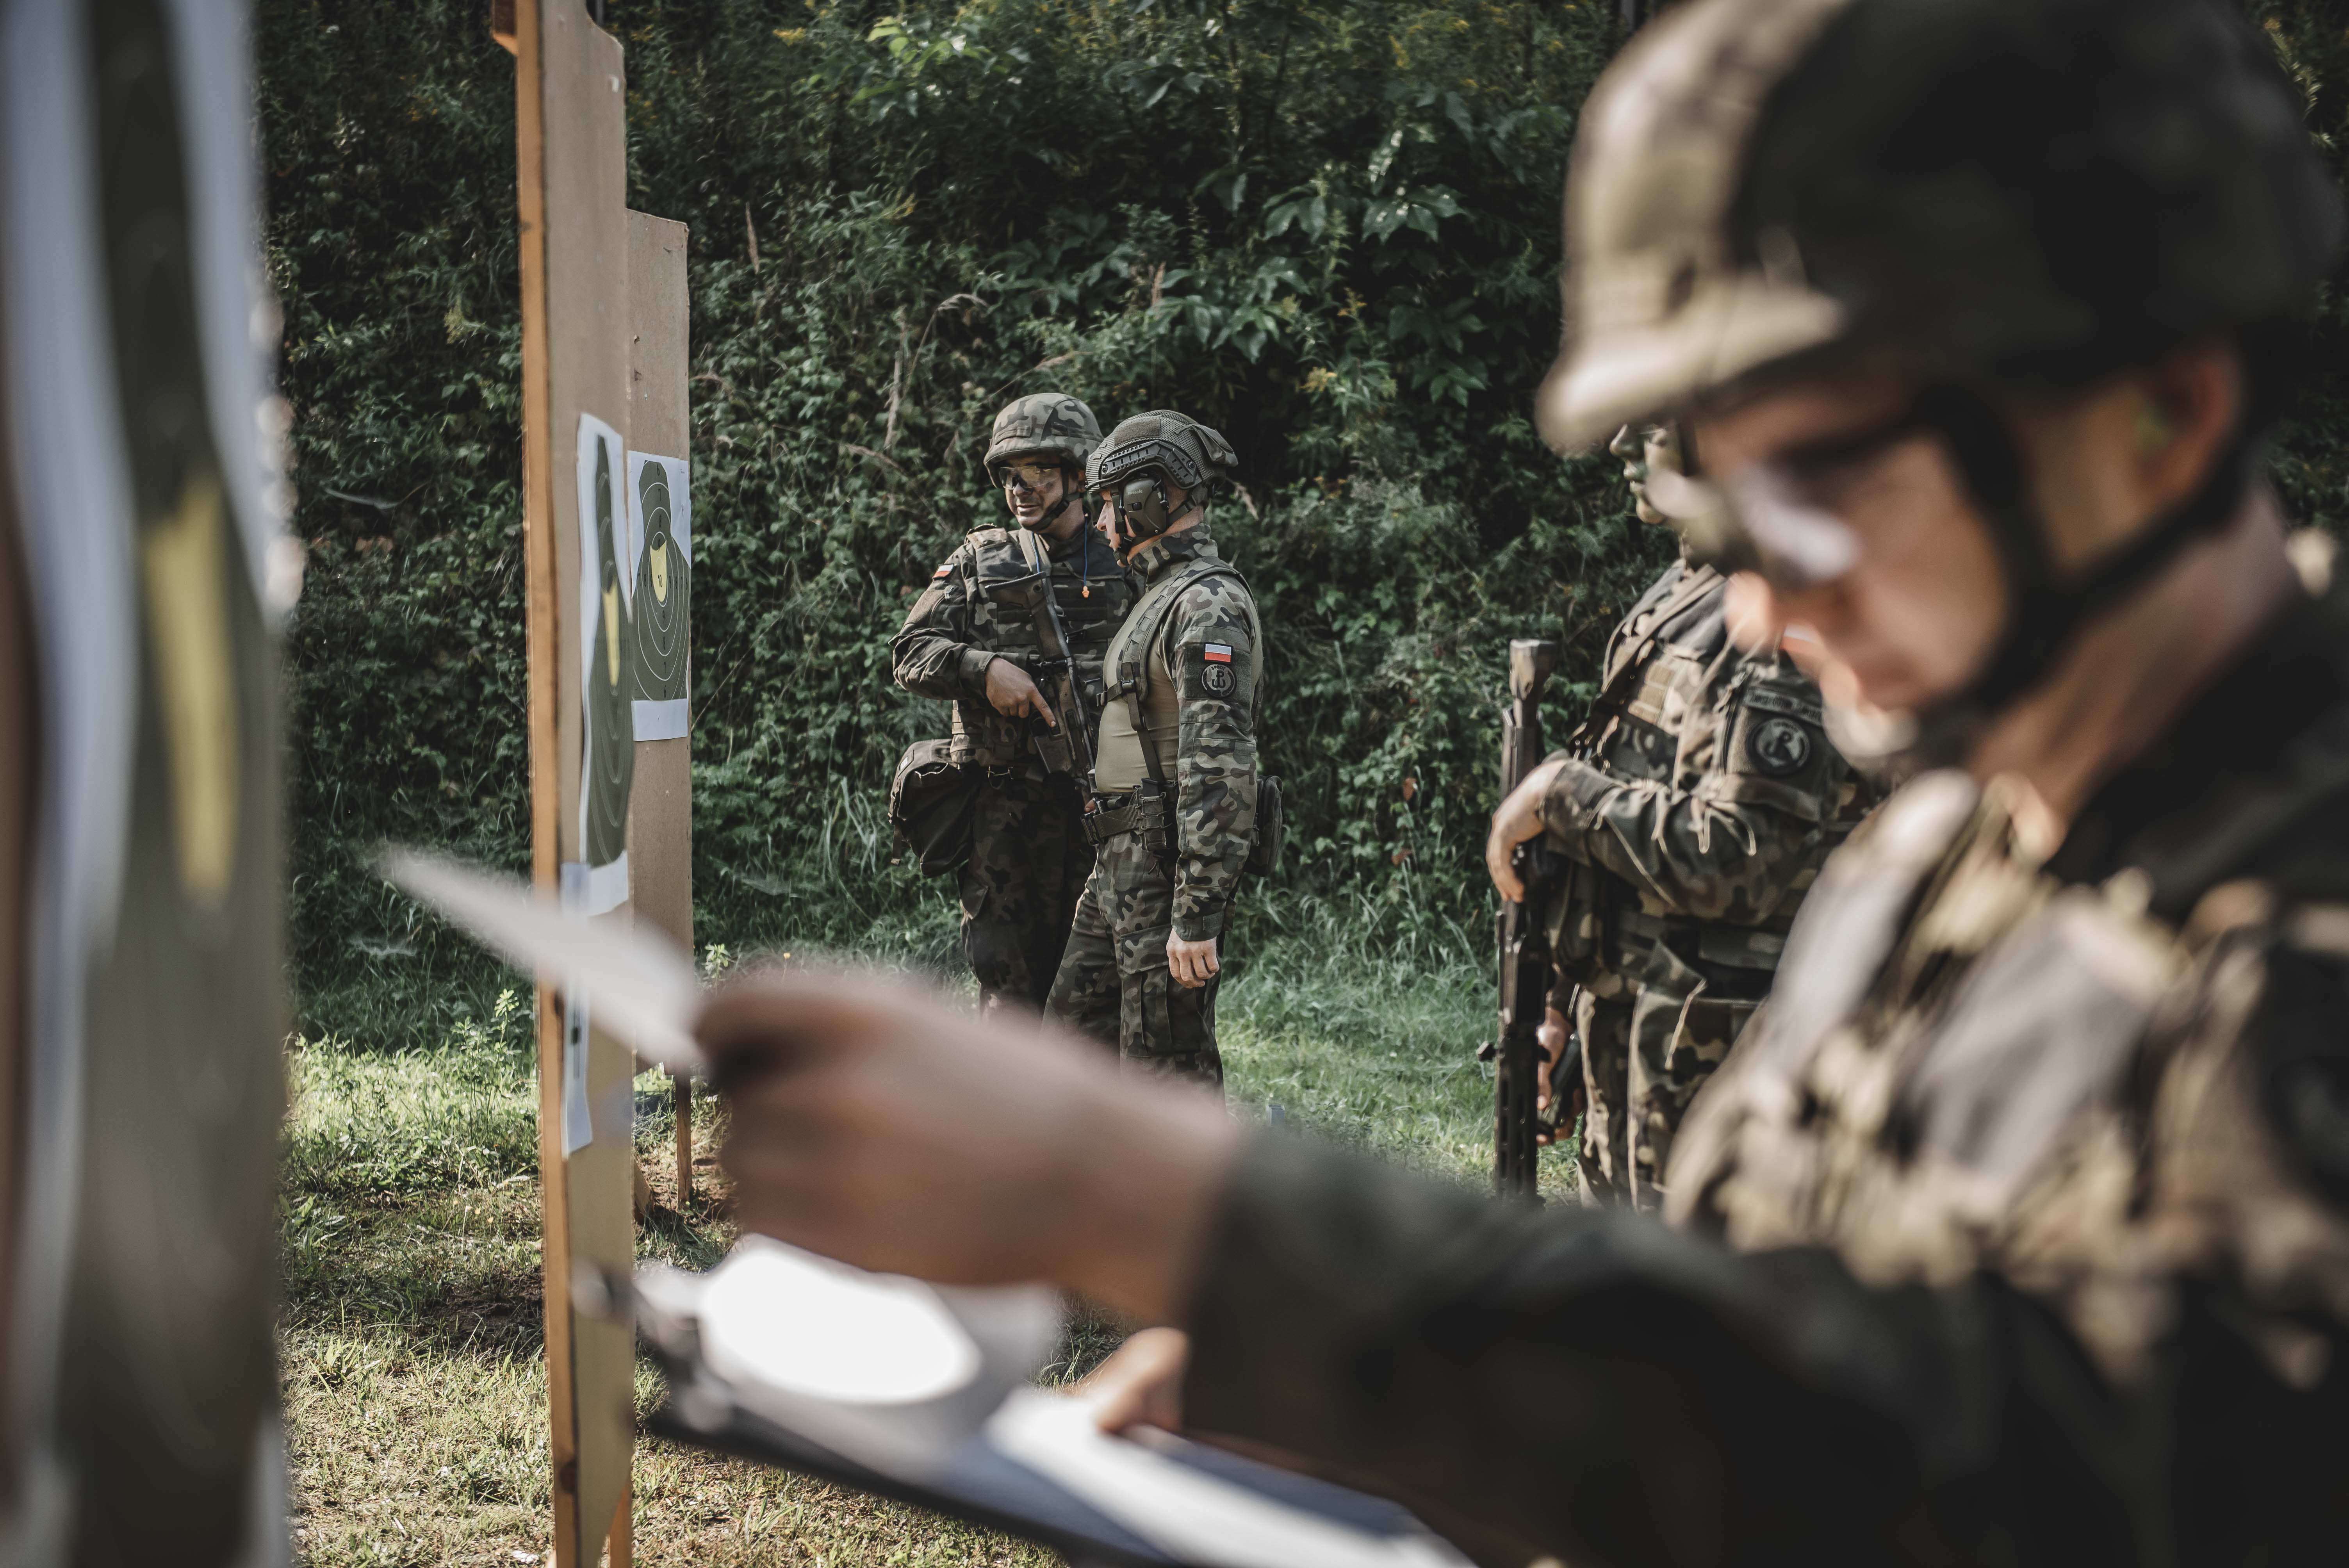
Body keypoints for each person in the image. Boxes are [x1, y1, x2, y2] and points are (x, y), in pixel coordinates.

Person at [707, 0, 2349, 1560]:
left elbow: (2107, 1477)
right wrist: (1419, 1420)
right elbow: (1776, 1356)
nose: (1768, 606)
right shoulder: (1939, 853)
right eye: (1725, 524)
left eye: (1825, 491)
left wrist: (1213, 1216)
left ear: (2160, 416)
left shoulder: (2297, 930)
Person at [1490, 418, 1878, 1206]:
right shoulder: (1687, 591)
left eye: (1656, 422)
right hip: (1636, 1039)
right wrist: (1563, 1003)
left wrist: (1563, 796)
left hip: (1724, 1071)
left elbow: (1738, 861)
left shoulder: (1779, 617)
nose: (1622, 445)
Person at [891, 394, 1133, 1015]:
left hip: (1101, 805)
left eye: (1039, 473)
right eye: (1009, 474)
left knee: (1100, 993)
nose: (1020, 488)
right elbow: (911, 651)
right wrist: (983, 668)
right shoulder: (981, 558)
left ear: (1081, 475)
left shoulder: (1126, 558)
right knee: (1009, 995)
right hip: (1005, 815)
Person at [1042, 411, 1261, 1087]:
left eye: (1111, 503)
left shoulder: (1208, 604)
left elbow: (1219, 769)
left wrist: (1195, 914)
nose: (1103, 524)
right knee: (1064, 1053)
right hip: (1118, 863)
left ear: (1150, 498)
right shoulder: (1161, 597)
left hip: (1161, 865)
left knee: (1165, 1074)